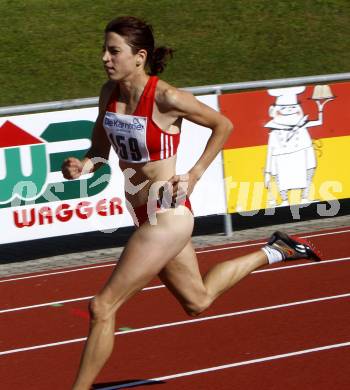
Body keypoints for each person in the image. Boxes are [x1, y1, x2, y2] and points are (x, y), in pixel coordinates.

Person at [61, 16, 322, 390]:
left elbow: (224, 125)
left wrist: (195, 174)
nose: (105, 57)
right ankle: (278, 250)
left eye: (113, 50)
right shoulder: (110, 95)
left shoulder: (167, 97)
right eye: (104, 49)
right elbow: (99, 151)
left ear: (139, 57)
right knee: (197, 300)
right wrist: (81, 166)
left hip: (167, 217)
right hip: (141, 212)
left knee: (103, 307)